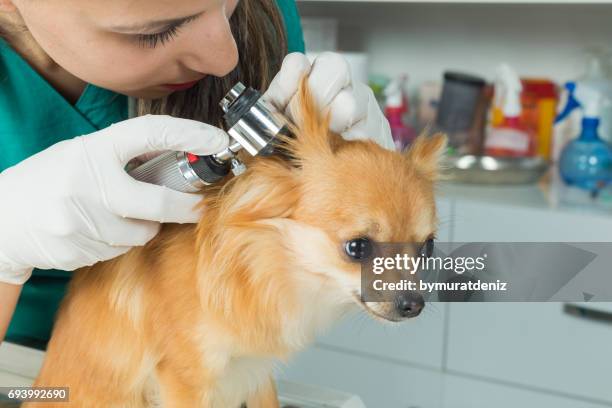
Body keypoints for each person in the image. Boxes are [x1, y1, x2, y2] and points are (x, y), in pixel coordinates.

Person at [0, 0, 394, 347]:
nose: (224, 57)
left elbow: (276, 295)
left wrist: (353, 190)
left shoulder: (261, 13)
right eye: (158, 31)